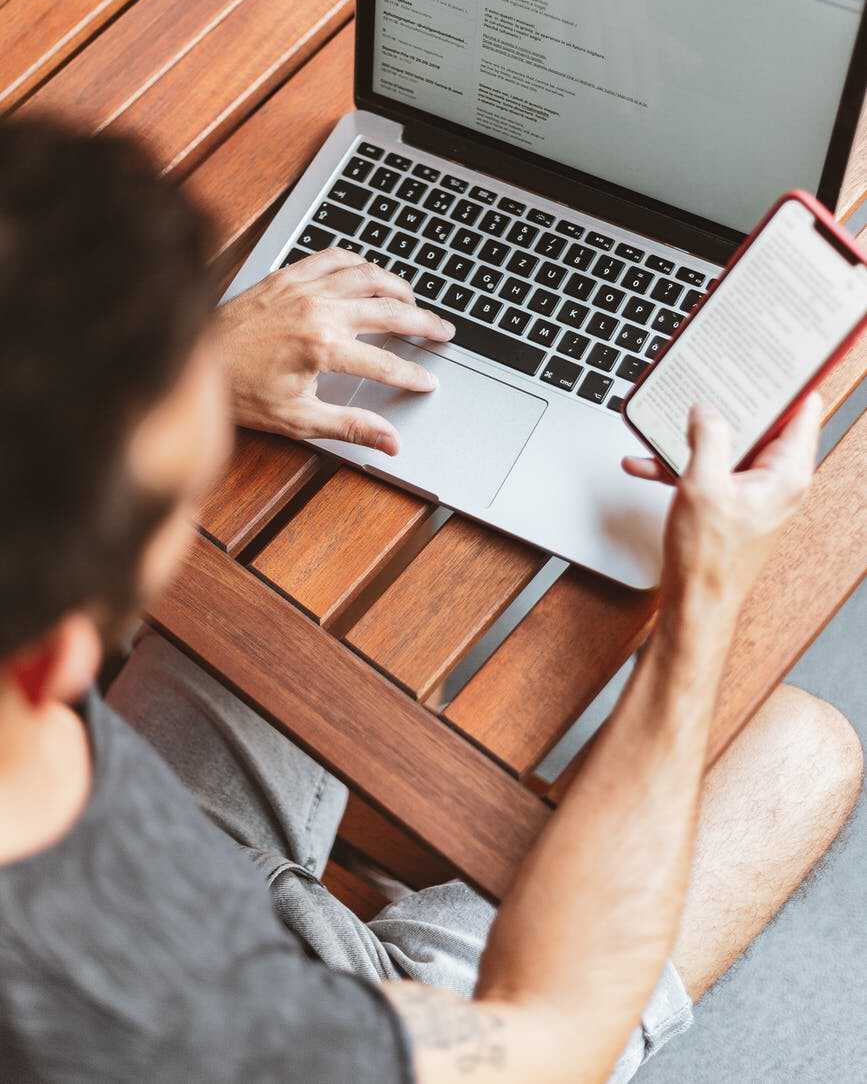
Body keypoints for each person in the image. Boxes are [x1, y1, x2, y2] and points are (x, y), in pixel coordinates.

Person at [0, 116, 860, 1084]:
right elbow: (555, 1032)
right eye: (179, 470)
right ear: (55, 659)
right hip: (300, 1008)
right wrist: (705, 594)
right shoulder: (189, 1026)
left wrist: (201, 360)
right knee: (799, 750)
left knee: (316, 548)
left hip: (159, 851)